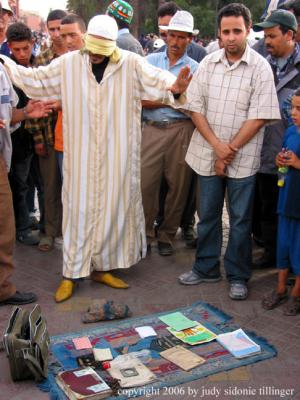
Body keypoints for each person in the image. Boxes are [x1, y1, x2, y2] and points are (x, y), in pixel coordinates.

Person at [1, 14, 192, 303]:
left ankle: (102, 268)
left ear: (112, 48)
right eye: (90, 49)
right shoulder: (69, 63)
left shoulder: (130, 63)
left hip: (117, 154)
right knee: (77, 212)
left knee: (111, 212)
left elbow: (159, 81)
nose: (93, 56)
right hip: (80, 154)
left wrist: (175, 88)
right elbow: (36, 79)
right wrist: (7, 65)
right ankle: (71, 273)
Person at [178, 3, 280, 300]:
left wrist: (229, 149)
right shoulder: (208, 64)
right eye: (226, 32)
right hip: (208, 152)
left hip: (243, 157)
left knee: (240, 220)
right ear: (219, 34)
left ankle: (238, 275)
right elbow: (195, 108)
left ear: (248, 30)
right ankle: (206, 268)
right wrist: (218, 148)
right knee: (207, 215)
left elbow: (259, 116)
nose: (232, 37)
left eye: (237, 31)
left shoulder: (260, 67)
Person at [0, 0, 52, 306]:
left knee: (5, 225)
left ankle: (3, 288)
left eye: (2, 17)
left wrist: (25, 113)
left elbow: (8, 115)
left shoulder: (3, 69)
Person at [141, 10, 198, 256]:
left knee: (178, 186)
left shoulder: (196, 68)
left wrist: (167, 98)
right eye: (171, 36)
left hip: (182, 130)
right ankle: (143, 234)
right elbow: (141, 99)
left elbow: (191, 106)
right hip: (152, 129)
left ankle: (166, 235)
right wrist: (173, 96)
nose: (175, 42)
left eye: (181, 37)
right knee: (145, 185)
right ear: (165, 35)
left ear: (190, 39)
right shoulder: (150, 61)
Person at [252, 9, 300, 269]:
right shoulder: (260, 63)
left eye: (272, 36)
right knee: (266, 206)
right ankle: (272, 255)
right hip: (264, 149)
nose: (266, 41)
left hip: (294, 152)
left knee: (291, 209)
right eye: (265, 36)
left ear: (290, 35)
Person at [25, 9, 67, 252]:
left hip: (75, 136)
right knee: (50, 187)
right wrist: (38, 139)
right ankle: (50, 232)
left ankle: (73, 232)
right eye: (51, 29)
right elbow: (35, 101)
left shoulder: (80, 58)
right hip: (49, 133)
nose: (56, 34)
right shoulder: (41, 59)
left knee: (74, 188)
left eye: (60, 28)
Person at [262, 89, 300, 315]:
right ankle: (280, 289)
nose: (293, 113)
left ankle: (296, 294)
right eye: (293, 107)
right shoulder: (290, 132)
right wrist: (281, 161)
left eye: (299, 109)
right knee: (283, 245)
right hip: (286, 199)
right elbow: (285, 160)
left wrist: (297, 163)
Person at [7, 22, 40, 245]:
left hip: (38, 135)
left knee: (36, 183)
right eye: (16, 49)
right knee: (18, 183)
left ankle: (29, 217)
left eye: (24, 49)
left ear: (32, 44)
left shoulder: (40, 66)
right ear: (9, 47)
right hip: (16, 138)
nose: (21, 54)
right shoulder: (6, 69)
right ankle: (21, 228)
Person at [55, 13, 86, 177]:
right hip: (65, 142)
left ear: (84, 33)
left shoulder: (97, 64)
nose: (67, 41)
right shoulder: (59, 66)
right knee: (69, 197)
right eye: (64, 36)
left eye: (72, 35)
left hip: (91, 143)